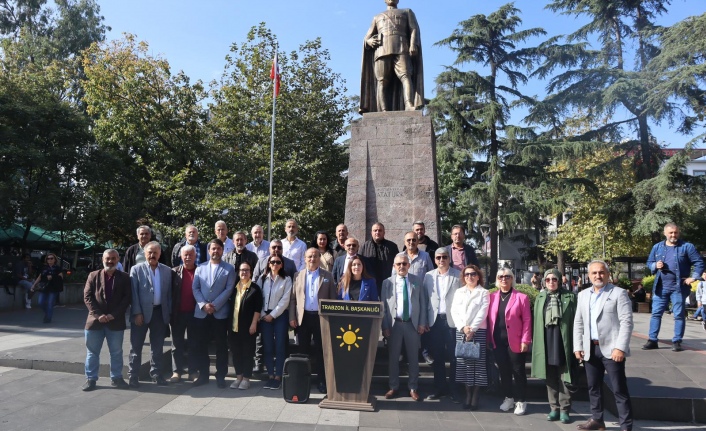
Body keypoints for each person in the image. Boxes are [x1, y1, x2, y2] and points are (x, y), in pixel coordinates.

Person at [574, 260, 634, 431]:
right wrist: (578, 346)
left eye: (601, 272)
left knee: (619, 389)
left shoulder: (619, 293)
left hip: (612, 349)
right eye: (594, 273)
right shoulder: (583, 295)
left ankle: (626, 426)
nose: (598, 276)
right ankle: (597, 420)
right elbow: (578, 322)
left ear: (608, 275)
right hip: (590, 349)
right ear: (589, 276)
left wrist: (620, 347)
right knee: (593, 387)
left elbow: (627, 322)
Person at [645, 222, 704, 351]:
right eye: (671, 233)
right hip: (661, 287)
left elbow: (699, 262)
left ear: (679, 233)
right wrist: (655, 266)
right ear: (665, 233)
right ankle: (652, 340)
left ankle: (677, 341)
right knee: (656, 313)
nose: (673, 235)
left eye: (675, 232)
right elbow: (649, 262)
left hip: (678, 288)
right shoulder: (657, 247)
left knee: (678, 315)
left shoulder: (687, 247)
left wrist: (693, 277)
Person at [360, 0, 424, 113]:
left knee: (406, 76)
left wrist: (413, 44)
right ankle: (383, 110)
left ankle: (409, 104)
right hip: (381, 51)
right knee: (381, 81)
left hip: (401, 48)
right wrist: (369, 41)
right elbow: (367, 37)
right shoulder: (377, 17)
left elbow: (414, 29)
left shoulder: (407, 12)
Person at [530, 269, 577, 424]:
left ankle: (565, 410)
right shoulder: (540, 297)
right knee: (550, 375)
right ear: (544, 281)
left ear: (559, 280)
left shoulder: (570, 297)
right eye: (548, 279)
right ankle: (553, 408)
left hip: (564, 340)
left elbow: (577, 321)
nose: (551, 282)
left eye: (554, 279)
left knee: (565, 375)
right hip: (546, 340)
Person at [82, 249, 132, 391]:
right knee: (92, 352)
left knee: (116, 352)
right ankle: (91, 379)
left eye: (113, 258)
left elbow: (127, 298)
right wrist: (99, 315)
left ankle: (116, 378)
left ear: (118, 260)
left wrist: (113, 315)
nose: (110, 261)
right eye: (107, 258)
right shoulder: (93, 275)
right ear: (103, 259)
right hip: (95, 322)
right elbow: (87, 297)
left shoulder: (125, 277)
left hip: (115, 322)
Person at [289, 248, 337, 394]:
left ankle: (322, 381)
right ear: (305, 258)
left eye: (315, 257)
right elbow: (293, 299)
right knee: (303, 351)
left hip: (320, 318)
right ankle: (304, 380)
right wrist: (292, 317)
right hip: (303, 319)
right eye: (309, 257)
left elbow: (333, 299)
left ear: (319, 258)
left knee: (321, 351)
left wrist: (331, 319)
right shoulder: (298, 275)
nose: (312, 259)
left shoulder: (327, 276)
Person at [381, 253, 427, 401]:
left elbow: (422, 304)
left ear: (409, 265)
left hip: (412, 325)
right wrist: (385, 326)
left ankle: (413, 387)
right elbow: (383, 307)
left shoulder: (417, 281)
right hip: (394, 325)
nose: (401, 266)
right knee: (393, 358)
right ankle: (393, 386)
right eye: (398, 264)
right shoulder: (387, 282)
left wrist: (421, 323)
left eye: (404, 264)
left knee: (413, 358)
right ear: (394, 266)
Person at [487, 268, 532, 415]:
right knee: (504, 371)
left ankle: (521, 401)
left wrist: (525, 340)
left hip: (516, 341)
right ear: (497, 279)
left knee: (518, 371)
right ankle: (509, 397)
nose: (504, 279)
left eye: (507, 276)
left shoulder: (521, 297)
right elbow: (489, 320)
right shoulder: (492, 297)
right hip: (498, 341)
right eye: (500, 277)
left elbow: (527, 320)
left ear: (512, 279)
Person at [191, 239, 236, 388]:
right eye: (213, 249)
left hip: (220, 313)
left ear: (222, 251)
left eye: (218, 249)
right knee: (200, 345)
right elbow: (195, 288)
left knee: (221, 346)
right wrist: (204, 305)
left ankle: (220, 375)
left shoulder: (229, 269)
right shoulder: (200, 268)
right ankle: (203, 374)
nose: (215, 251)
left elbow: (229, 289)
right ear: (208, 251)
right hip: (201, 313)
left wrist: (214, 306)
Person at [128, 241, 172, 387]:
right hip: (141, 314)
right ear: (145, 254)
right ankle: (133, 376)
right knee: (136, 346)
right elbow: (133, 294)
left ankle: (156, 374)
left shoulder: (166, 270)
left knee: (157, 347)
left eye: (155, 253)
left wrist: (169, 313)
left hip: (159, 313)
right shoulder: (136, 269)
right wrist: (137, 312)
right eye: (150, 252)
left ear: (159, 254)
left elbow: (169, 295)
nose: (152, 255)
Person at [423, 248, 462, 401]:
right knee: (437, 356)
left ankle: (454, 390)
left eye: (444, 257)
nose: (441, 260)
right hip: (435, 321)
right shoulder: (428, 276)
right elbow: (425, 299)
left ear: (449, 259)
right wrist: (425, 320)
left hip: (452, 321)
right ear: (434, 259)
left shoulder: (458, 275)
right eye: (438, 257)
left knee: (454, 357)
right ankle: (439, 388)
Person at [450, 264, 489, 410]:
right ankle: (467, 395)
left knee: (477, 365)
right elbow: (454, 311)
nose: (470, 277)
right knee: (464, 364)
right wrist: (463, 327)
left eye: (473, 274)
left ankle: (475, 396)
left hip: (478, 331)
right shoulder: (459, 292)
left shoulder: (484, 292)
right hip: (462, 331)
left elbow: (483, 312)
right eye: (466, 275)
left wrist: (472, 329)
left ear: (478, 276)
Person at [259, 254, 293, 390]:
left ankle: (278, 376)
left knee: (279, 346)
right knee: (267, 347)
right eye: (272, 262)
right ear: (268, 264)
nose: (275, 264)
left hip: (279, 316)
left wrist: (272, 315)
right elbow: (258, 298)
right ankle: (270, 375)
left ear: (282, 264)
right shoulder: (262, 279)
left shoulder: (287, 279)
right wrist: (263, 314)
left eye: (278, 262)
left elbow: (285, 300)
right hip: (264, 315)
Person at [228, 261, 262, 390]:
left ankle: (247, 378)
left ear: (251, 272)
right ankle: (239, 377)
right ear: (238, 272)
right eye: (242, 270)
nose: (244, 272)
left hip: (248, 327)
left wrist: (254, 323)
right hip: (234, 327)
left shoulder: (255, 288)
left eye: (247, 270)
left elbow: (257, 308)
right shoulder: (233, 287)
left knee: (247, 353)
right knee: (236, 353)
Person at [169, 245, 197, 383]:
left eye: (191, 254)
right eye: (185, 255)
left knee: (193, 344)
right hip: (177, 314)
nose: (188, 257)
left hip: (195, 314)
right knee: (176, 345)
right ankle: (176, 372)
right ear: (181, 257)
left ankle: (193, 372)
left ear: (195, 256)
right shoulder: (174, 272)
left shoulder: (200, 271)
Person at [360, 222, 399, 297]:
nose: (377, 232)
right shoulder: (364, 246)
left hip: (388, 282)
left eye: (380, 230)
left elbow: (397, 264)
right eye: (375, 230)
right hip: (369, 283)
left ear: (384, 232)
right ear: (371, 232)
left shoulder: (392, 247)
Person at [29, 253, 63, 323]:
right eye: (48, 258)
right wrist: (34, 285)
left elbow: (61, 277)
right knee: (40, 302)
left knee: (50, 303)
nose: (49, 260)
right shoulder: (44, 267)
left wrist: (53, 277)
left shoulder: (57, 268)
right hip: (44, 287)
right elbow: (40, 277)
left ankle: (48, 318)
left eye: (51, 258)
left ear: (54, 260)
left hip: (53, 288)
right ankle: (47, 313)